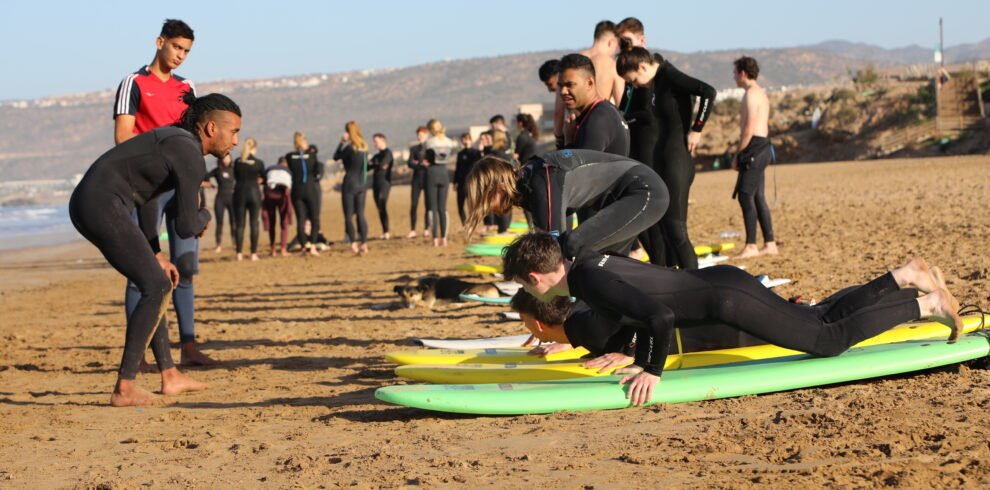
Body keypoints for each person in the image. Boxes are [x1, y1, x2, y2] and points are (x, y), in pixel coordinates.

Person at [503, 233, 965, 406]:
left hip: (728, 299)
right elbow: (641, 317)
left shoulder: (587, 280)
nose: (531, 295)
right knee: (819, 319)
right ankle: (906, 275)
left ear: (537, 276)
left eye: (526, 287)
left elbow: (660, 316)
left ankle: (924, 306)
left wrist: (652, 370)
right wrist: (636, 357)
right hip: (722, 286)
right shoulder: (586, 261)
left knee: (827, 340)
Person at [71, 93, 242, 407]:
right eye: (234, 132)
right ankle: (125, 388)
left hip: (94, 201)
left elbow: (148, 199)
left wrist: (156, 253)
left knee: (158, 279)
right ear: (211, 128)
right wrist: (207, 215)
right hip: (101, 204)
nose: (235, 141)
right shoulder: (190, 152)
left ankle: (170, 375)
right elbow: (187, 226)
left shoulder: (177, 142)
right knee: (156, 285)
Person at [112, 19, 215, 367]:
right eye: (176, 48)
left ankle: (188, 345)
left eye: (186, 51)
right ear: (159, 42)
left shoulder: (187, 86)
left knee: (185, 266)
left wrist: (197, 185)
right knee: (142, 270)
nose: (181, 56)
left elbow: (195, 140)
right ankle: (138, 353)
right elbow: (123, 138)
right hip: (146, 190)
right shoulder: (134, 83)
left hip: (181, 188)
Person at [464, 150, 668, 259]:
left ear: (500, 187)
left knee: (571, 247)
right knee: (603, 267)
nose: (488, 209)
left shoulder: (539, 181)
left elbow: (554, 253)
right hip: (631, 194)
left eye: (485, 201)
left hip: (644, 191)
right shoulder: (528, 184)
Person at [617, 46, 717, 269]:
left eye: (634, 79)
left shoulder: (669, 75)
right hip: (663, 159)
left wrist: (697, 129)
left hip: (677, 160)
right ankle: (673, 280)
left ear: (643, 67)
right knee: (664, 229)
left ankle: (696, 283)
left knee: (676, 230)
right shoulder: (655, 84)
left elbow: (708, 92)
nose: (634, 85)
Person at [731, 56, 778, 259]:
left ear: (742, 73)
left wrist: (737, 154)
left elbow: (749, 128)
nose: (734, 78)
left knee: (745, 195)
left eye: (735, 73)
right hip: (763, 147)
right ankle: (770, 243)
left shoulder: (751, 94)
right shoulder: (762, 93)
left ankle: (751, 244)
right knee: (758, 196)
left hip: (755, 148)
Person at [558, 53, 629, 156]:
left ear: (590, 83)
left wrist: (568, 141)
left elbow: (581, 169)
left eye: (569, 85)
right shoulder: (601, 111)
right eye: (561, 86)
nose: (563, 91)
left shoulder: (599, 118)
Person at [334, 121, 370, 255]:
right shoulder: (364, 147)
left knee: (349, 216)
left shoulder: (350, 148)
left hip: (350, 183)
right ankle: (364, 243)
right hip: (362, 184)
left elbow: (336, 156)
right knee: (361, 214)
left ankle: (354, 244)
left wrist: (341, 142)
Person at [285, 132, 323, 256]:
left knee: (300, 220)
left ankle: (303, 247)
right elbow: (317, 171)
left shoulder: (289, 156)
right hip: (311, 189)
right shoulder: (312, 155)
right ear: (304, 142)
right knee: (314, 219)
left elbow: (292, 169)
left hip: (297, 190)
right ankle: (312, 246)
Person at [423, 119, 456, 247]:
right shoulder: (449, 142)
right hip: (444, 173)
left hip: (432, 173)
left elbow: (427, 158)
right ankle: (444, 238)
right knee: (443, 209)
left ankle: (435, 238)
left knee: (433, 208)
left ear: (431, 129)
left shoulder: (430, 142)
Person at [232, 138, 265, 261]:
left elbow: (236, 176)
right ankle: (253, 253)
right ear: (254, 148)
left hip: (240, 193)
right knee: (254, 223)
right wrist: (259, 180)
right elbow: (264, 178)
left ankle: (239, 254)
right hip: (254, 194)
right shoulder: (258, 162)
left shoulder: (237, 162)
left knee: (240, 224)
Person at [580, 20, 625, 105]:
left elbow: (558, 112)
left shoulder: (571, 61)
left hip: (575, 118)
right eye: (617, 45)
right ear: (611, 42)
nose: (616, 50)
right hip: (600, 116)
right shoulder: (612, 66)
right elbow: (621, 105)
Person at [262, 157, 294, 256]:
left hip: (269, 194)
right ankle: (283, 249)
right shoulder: (288, 170)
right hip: (282, 195)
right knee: (284, 223)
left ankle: (273, 250)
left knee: (272, 222)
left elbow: (264, 180)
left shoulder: (270, 168)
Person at [204, 154, 235, 252]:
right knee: (219, 223)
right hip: (220, 199)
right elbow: (205, 176)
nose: (226, 159)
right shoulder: (217, 170)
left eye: (227, 157)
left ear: (231, 158)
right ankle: (218, 245)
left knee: (233, 222)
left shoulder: (234, 170)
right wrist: (210, 184)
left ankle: (234, 243)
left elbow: (243, 177)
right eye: (224, 157)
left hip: (232, 198)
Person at [407, 126, 431, 238]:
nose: (419, 137)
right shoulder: (414, 149)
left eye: (421, 135)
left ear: (426, 135)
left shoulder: (430, 148)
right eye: (418, 135)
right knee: (414, 204)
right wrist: (420, 163)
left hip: (428, 178)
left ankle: (426, 228)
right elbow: (409, 163)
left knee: (428, 204)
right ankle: (412, 229)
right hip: (416, 179)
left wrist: (417, 162)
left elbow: (431, 162)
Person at [368, 133, 393, 239]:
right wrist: (373, 163)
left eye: (376, 141)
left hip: (384, 183)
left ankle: (387, 232)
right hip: (376, 183)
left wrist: (374, 163)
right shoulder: (377, 156)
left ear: (382, 140)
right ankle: (384, 231)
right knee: (379, 207)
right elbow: (367, 167)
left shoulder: (388, 153)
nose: (374, 144)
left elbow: (383, 164)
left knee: (382, 204)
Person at [453, 132, 482, 225]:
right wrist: (455, 181)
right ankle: (465, 224)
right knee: (460, 205)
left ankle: (473, 224)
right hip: (461, 183)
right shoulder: (460, 154)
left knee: (472, 205)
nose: (465, 141)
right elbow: (457, 168)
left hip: (472, 183)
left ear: (471, 140)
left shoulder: (476, 153)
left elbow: (479, 164)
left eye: (467, 139)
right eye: (464, 139)